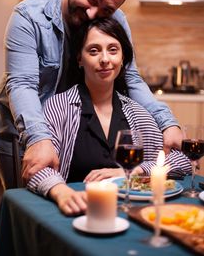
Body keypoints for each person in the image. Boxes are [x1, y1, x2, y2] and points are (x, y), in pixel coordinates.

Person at [0, 0, 182, 190]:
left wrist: (167, 123)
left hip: (70, 128)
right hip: (22, 129)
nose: (93, 14)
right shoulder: (29, 16)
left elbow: (131, 78)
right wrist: (38, 138)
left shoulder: (115, 19)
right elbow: (22, 84)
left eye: (106, 9)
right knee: (25, 205)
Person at [27, 18, 191, 216]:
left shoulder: (137, 113)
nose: (105, 59)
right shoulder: (58, 107)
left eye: (113, 50)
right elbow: (36, 169)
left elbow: (183, 161)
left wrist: (133, 172)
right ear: (79, 58)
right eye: (94, 51)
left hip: (131, 213)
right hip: (74, 210)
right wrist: (61, 192)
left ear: (123, 59)